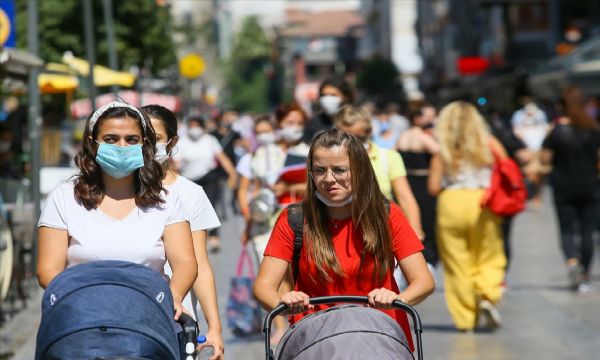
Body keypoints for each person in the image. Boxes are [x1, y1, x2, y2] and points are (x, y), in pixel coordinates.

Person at [253, 129, 434, 351]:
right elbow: (263, 286)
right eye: (320, 171)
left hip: (381, 337)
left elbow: (423, 281)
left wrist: (398, 297)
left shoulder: (387, 215)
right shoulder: (295, 218)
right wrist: (284, 304)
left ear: (360, 171)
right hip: (316, 340)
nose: (329, 179)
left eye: (340, 170)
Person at [37, 102, 198, 321]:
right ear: (92, 144)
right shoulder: (64, 198)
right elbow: (48, 270)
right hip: (82, 316)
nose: (122, 146)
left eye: (131, 140)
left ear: (144, 144)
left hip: (148, 316)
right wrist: (82, 301)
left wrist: (174, 296)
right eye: (111, 139)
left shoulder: (166, 200)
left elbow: (185, 263)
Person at [142, 105, 224, 359]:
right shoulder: (118, 191)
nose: (146, 145)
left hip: (177, 318)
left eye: (153, 139)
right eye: (140, 138)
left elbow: (199, 263)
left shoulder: (190, 194)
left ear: (172, 141)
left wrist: (215, 327)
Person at [428, 101, 506, 332]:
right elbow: (506, 169)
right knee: (489, 254)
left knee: (456, 262)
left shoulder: (442, 150)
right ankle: (486, 295)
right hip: (483, 202)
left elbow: (433, 187)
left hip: (450, 202)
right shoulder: (489, 144)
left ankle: (465, 320)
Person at [541, 86, 600, 293]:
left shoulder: (557, 131)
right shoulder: (593, 129)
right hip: (590, 185)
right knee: (587, 230)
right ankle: (584, 275)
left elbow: (545, 159)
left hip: (563, 186)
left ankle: (572, 262)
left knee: (566, 229)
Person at [334, 105, 424, 239]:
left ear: (369, 131)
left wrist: (416, 232)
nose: (356, 142)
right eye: (348, 137)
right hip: (343, 232)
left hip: (382, 231)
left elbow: (405, 197)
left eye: (360, 136)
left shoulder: (388, 157)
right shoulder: (332, 160)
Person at [173, 116, 238, 253]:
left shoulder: (210, 140)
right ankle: (190, 239)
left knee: (211, 206)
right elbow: (176, 165)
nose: (194, 129)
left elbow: (222, 158)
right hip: (189, 179)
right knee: (189, 210)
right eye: (191, 126)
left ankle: (214, 238)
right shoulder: (182, 143)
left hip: (209, 177)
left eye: (197, 125)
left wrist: (233, 174)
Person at [396, 106, 440, 270]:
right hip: (424, 180)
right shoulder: (421, 137)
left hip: (407, 180)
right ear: (417, 119)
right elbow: (437, 151)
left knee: (411, 218)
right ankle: (429, 259)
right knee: (428, 221)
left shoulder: (402, 136)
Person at [303, 77, 355, 142]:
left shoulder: (355, 120)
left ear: (346, 97)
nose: (328, 99)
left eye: (333, 95)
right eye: (324, 95)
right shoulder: (314, 122)